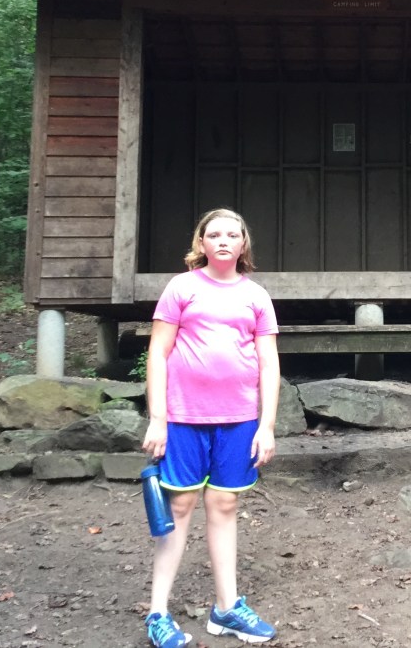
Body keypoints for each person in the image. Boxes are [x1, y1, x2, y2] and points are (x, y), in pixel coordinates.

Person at [141, 208, 281, 646]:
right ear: (201, 243)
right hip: (183, 418)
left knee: (224, 505)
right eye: (214, 234)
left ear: (243, 244)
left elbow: (269, 363)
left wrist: (267, 426)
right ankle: (158, 614)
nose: (223, 240)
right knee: (180, 507)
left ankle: (226, 608)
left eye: (232, 235)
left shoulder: (256, 296)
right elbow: (158, 353)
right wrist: (158, 419)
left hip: (239, 420)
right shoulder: (181, 288)